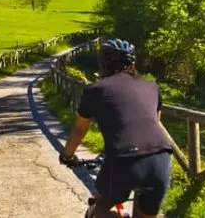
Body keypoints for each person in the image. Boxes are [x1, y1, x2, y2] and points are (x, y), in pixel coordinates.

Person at [59, 39, 173, 218]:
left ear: (103, 63)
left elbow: (79, 131)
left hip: (124, 160)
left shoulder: (95, 90)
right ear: (132, 63)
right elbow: (154, 125)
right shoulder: (152, 87)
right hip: (161, 160)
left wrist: (66, 156)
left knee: (101, 205)